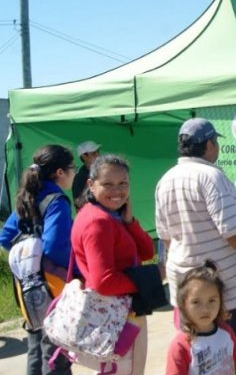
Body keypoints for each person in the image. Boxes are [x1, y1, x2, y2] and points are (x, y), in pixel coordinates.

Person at [155, 118, 236, 364]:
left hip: (187, 291)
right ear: (209, 144)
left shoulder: (165, 180)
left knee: (203, 361)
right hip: (228, 289)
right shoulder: (211, 176)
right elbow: (232, 230)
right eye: (215, 142)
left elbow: (166, 238)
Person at [71, 154, 154, 374]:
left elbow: (147, 251)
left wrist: (129, 222)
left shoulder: (109, 215)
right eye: (107, 184)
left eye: (123, 184)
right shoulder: (98, 221)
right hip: (118, 318)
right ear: (91, 184)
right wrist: (151, 278)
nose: (117, 191)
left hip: (117, 314)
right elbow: (104, 282)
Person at [0, 145, 75, 375]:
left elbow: (5, 237)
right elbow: (54, 246)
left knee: (36, 345)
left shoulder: (28, 197)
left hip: (26, 287)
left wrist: (28, 259)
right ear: (60, 173)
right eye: (72, 168)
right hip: (53, 286)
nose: (74, 172)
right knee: (55, 352)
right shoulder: (56, 201)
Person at [166, 262, 236, 375]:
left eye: (212, 300)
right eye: (196, 302)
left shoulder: (227, 331)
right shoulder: (179, 345)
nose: (205, 309)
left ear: (220, 301)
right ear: (183, 305)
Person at [71, 140, 101, 210]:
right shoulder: (79, 177)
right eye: (94, 153)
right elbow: (78, 204)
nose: (98, 155)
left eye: (98, 151)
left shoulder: (102, 171)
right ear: (84, 156)